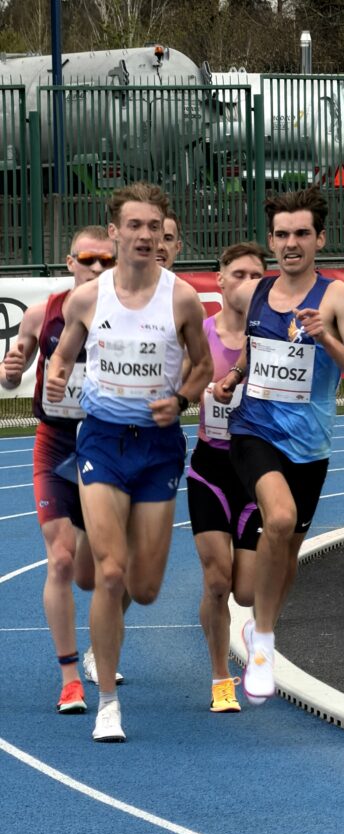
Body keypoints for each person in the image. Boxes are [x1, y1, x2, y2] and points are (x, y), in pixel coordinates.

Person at [46, 182, 213, 742]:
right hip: (102, 441)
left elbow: (203, 366)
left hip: (157, 449)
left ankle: (96, 539)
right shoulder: (88, 299)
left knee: (143, 588)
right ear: (114, 232)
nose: (145, 236)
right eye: (134, 226)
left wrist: (181, 400)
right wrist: (56, 376)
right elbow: (63, 356)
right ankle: (108, 705)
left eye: (154, 227)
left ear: (163, 234)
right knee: (110, 574)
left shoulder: (181, 298)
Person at [214, 186, 344, 706]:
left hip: (310, 446)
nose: (291, 243)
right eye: (282, 235)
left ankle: (262, 626)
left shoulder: (337, 297)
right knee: (279, 520)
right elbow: (255, 351)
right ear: (271, 241)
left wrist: (325, 338)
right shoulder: (256, 293)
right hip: (253, 431)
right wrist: (233, 377)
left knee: (288, 556)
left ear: (319, 239)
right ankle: (262, 642)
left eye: (301, 233)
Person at [0, 227, 123, 714]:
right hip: (55, 445)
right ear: (70, 263)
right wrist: (11, 372)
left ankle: (99, 646)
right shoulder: (42, 313)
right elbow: (12, 373)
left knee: (97, 573)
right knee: (61, 560)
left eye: (107, 261)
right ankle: (70, 678)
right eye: (88, 259)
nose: (96, 268)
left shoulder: (130, 319)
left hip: (107, 449)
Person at [187, 242, 268, 713]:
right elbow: (176, 384)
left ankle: (257, 632)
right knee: (217, 582)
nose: (247, 282)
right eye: (238, 274)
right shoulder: (199, 334)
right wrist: (199, 389)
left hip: (256, 471)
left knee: (247, 591)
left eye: (256, 275)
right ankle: (221, 678)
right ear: (219, 281)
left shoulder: (274, 337)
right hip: (210, 470)